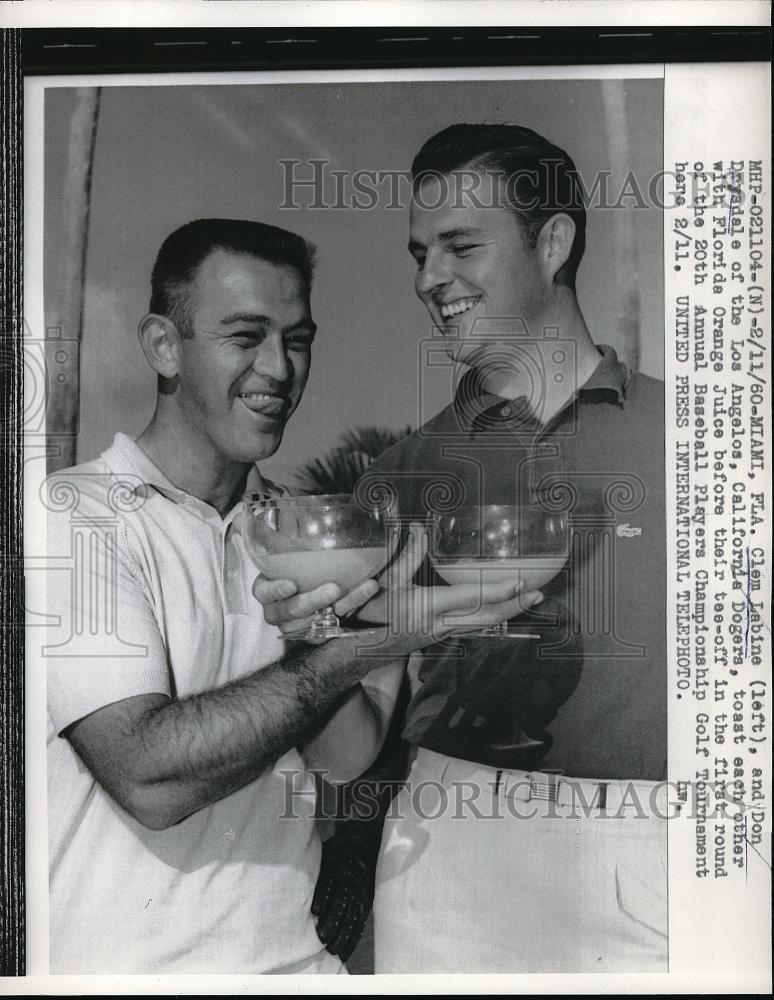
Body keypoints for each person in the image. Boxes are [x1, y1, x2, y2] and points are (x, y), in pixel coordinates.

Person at [45, 217, 538, 974]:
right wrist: (373, 643)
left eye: (298, 338)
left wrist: (330, 640)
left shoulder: (302, 532)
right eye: (246, 336)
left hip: (299, 967)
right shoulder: (71, 517)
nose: (278, 368)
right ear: (163, 346)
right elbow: (148, 776)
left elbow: (344, 758)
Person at [360, 124, 668, 972]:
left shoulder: (704, 438)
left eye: (461, 245)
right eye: (421, 253)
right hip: (446, 847)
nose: (430, 279)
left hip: (660, 851)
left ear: (555, 243)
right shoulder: (399, 473)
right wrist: (348, 642)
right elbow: (344, 749)